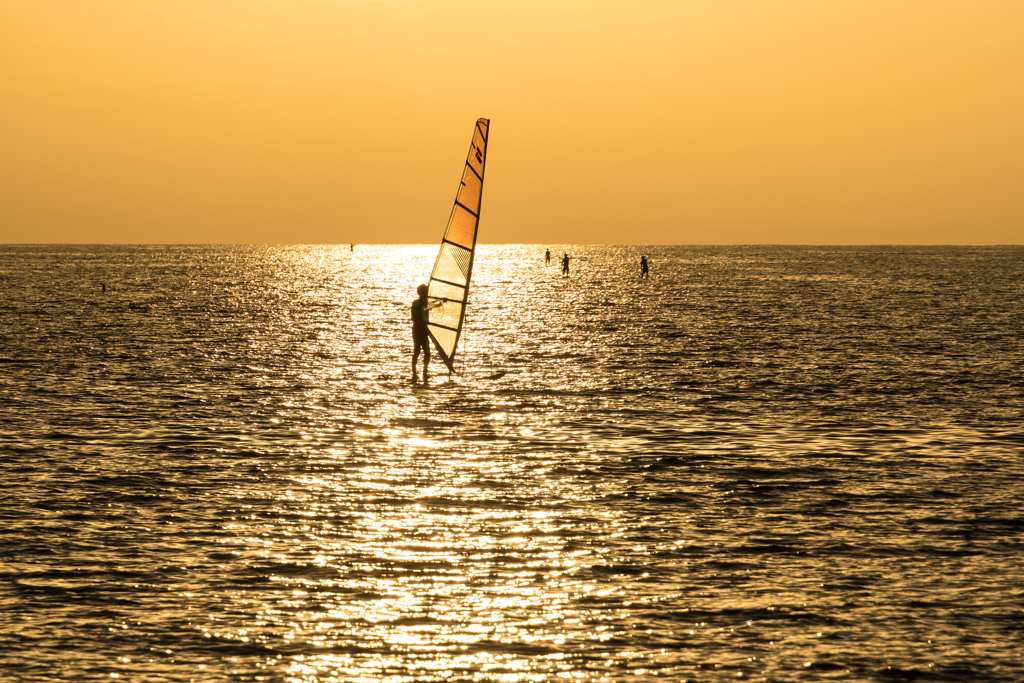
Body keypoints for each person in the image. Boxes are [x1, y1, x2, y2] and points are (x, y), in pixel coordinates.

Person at [411, 284, 431, 382]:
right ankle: (423, 372)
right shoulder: (422, 303)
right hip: (420, 330)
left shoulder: (416, 303)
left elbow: (429, 306)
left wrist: (440, 303)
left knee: (417, 351)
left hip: (416, 329)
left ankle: (416, 373)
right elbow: (425, 307)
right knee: (425, 352)